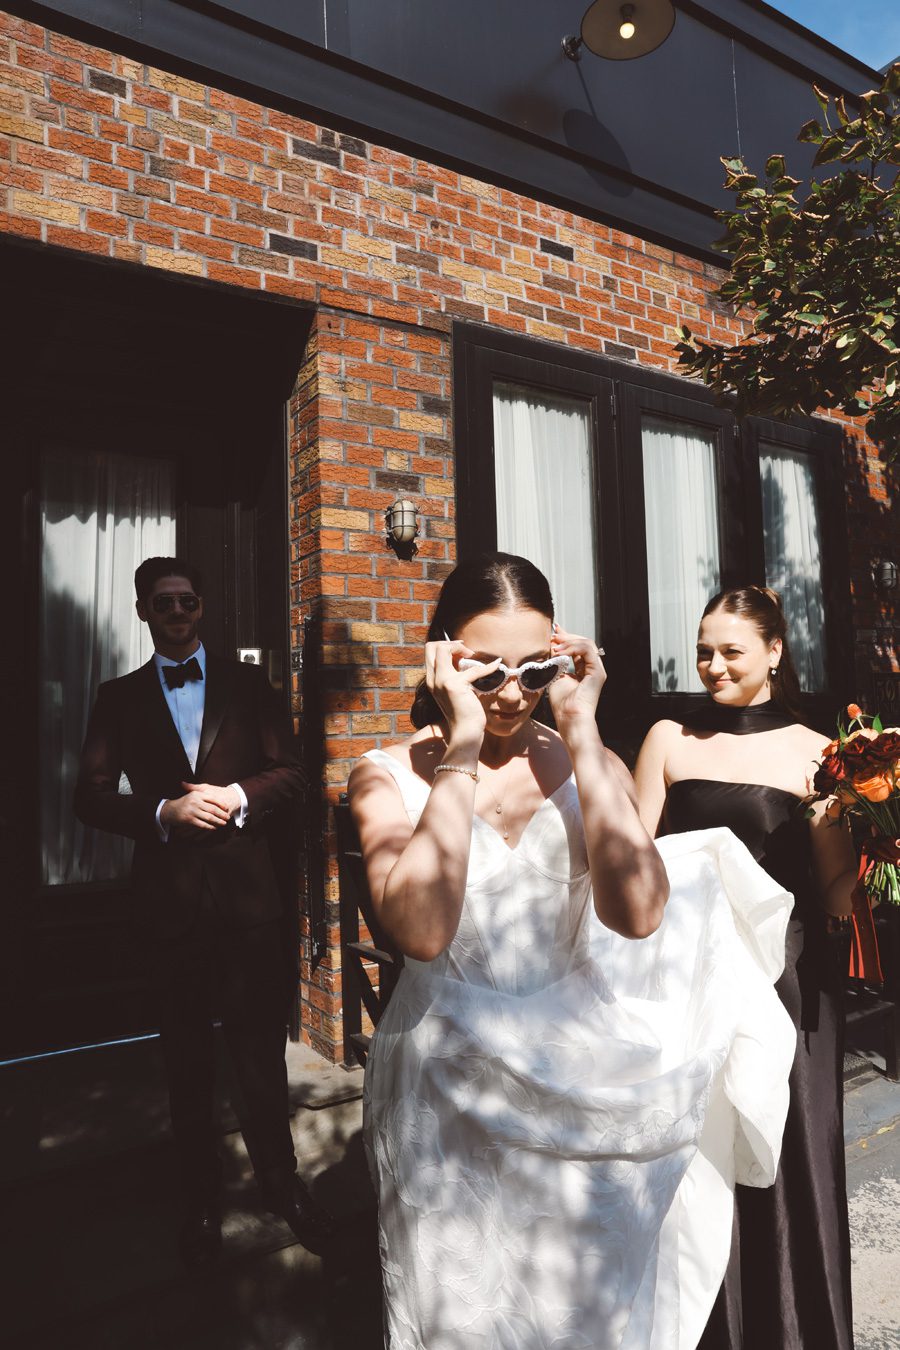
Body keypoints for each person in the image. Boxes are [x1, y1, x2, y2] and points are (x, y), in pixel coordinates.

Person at [348, 553, 796, 1349]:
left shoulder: (590, 762)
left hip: (579, 1082)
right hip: (446, 1095)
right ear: (443, 654)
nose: (511, 693)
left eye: (533, 669)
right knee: (462, 1318)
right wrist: (460, 747)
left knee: (581, 1317)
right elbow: (420, 932)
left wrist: (584, 732)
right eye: (486, 671)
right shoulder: (384, 776)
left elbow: (641, 914)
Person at [75, 557, 330, 1266]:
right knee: (185, 1064)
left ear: (202, 607)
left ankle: (283, 1185)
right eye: (164, 603)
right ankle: (201, 1203)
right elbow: (88, 796)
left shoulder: (249, 685)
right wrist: (162, 812)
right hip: (169, 909)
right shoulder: (118, 698)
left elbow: (292, 772)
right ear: (143, 611)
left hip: (249, 907)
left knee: (259, 1059)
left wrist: (237, 797)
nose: (178, 613)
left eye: (188, 601)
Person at [634, 584, 857, 1350]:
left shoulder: (818, 752)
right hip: (686, 982)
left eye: (731, 651)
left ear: (774, 651)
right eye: (704, 651)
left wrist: (878, 840)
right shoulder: (668, 738)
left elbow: (834, 894)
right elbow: (631, 865)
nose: (714, 665)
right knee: (696, 1169)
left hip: (786, 984)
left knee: (793, 1164)